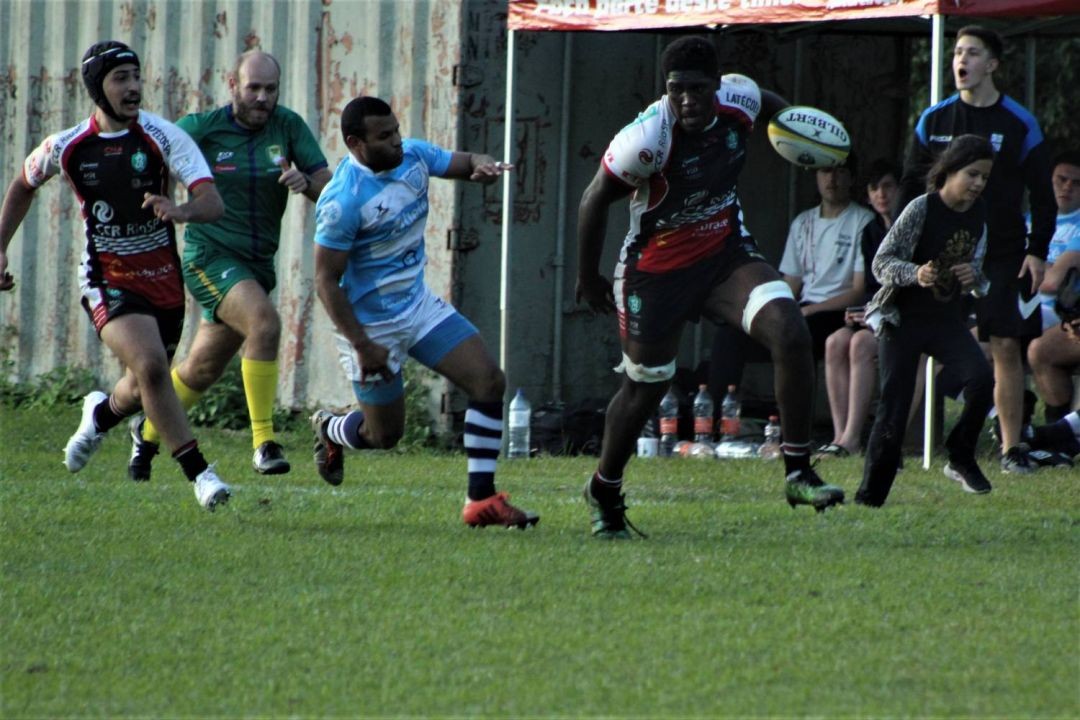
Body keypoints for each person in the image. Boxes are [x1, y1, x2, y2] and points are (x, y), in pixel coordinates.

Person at [576, 36, 845, 539]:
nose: (687, 101)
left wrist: (796, 132)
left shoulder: (740, 100)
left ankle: (798, 471)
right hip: (656, 273)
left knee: (789, 331)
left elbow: (767, 103)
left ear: (717, 87)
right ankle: (603, 488)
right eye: (676, 90)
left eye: (697, 90)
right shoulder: (646, 139)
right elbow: (593, 200)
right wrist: (586, 278)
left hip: (724, 254)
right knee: (645, 387)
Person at [0, 41, 231, 510]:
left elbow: (213, 202)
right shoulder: (67, 147)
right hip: (107, 277)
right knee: (149, 367)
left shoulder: (163, 138)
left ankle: (100, 413)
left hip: (164, 281)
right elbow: (24, 184)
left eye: (136, 76)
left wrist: (179, 209)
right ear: (96, 89)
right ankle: (200, 475)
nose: (133, 88)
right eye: (120, 78)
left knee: (146, 380)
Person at [309, 96, 538, 529]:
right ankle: (331, 429)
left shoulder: (413, 155)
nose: (397, 141)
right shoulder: (342, 201)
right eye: (385, 136)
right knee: (385, 436)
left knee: (489, 381)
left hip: (417, 308)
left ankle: (481, 500)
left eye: (396, 130)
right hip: (370, 328)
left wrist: (483, 166)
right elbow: (325, 281)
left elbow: (464, 162)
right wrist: (362, 345)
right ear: (356, 144)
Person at [126, 50, 332, 481]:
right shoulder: (201, 128)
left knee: (201, 369)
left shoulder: (288, 126)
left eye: (270, 89)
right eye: (253, 87)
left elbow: (328, 186)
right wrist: (166, 206)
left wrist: (306, 182)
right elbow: (146, 157)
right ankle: (263, 442)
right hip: (209, 257)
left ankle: (144, 433)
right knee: (264, 323)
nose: (262, 97)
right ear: (232, 84)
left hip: (258, 263)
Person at [898, 25, 1056, 475]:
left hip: (1002, 251)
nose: (960, 61)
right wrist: (908, 246)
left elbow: (1042, 195)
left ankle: (1011, 450)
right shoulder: (935, 119)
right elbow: (912, 184)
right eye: (956, 52)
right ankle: (891, 436)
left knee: (1004, 343)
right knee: (915, 338)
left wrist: (1037, 249)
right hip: (942, 249)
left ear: (992, 65)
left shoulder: (1018, 122)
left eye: (971, 53)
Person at [856, 135, 995, 507]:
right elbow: (881, 263)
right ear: (949, 171)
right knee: (894, 411)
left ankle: (960, 457)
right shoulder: (921, 208)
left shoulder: (980, 213)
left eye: (985, 177)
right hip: (902, 319)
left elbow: (981, 275)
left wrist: (974, 278)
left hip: (946, 319)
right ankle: (870, 498)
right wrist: (915, 274)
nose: (979, 184)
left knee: (982, 380)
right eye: (973, 174)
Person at [709, 155, 874, 400]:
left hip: (839, 315)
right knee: (731, 335)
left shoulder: (863, 220)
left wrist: (809, 311)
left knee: (799, 334)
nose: (832, 178)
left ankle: (791, 428)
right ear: (816, 176)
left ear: (851, 178)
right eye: (825, 171)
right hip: (802, 311)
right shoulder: (802, 222)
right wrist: (771, 312)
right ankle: (715, 418)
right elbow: (791, 284)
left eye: (840, 172)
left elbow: (858, 290)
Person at [818, 159, 900, 457]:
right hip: (877, 313)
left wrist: (877, 312)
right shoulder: (870, 232)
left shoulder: (912, 226)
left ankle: (853, 437)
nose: (882, 195)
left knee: (860, 345)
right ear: (867, 195)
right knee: (834, 341)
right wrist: (862, 311)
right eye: (875, 188)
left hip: (904, 316)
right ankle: (840, 435)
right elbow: (870, 285)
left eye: (888, 187)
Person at [1026, 151, 1080, 423]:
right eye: (1061, 179)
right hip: (1020, 307)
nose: (1067, 186)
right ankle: (1010, 415)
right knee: (975, 345)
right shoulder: (1029, 221)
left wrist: (1036, 267)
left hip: (1057, 313)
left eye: (1076, 182)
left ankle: (1057, 430)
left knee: (1034, 348)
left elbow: (1050, 284)